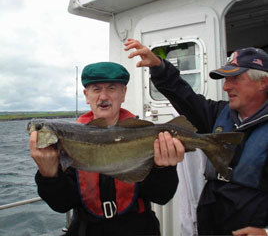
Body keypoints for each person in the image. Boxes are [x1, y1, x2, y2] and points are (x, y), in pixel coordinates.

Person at [125, 39, 268, 236]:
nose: (226, 87)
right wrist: (160, 67)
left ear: (263, 82)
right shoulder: (217, 113)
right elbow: (184, 96)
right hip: (211, 222)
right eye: (225, 80)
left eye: (235, 79)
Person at [29, 62, 185, 236]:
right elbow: (61, 205)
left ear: (123, 93)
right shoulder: (66, 142)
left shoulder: (149, 136)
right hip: (86, 230)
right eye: (96, 89)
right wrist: (48, 175)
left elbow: (162, 196)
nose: (103, 96)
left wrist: (163, 169)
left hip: (138, 228)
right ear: (86, 96)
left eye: (111, 88)